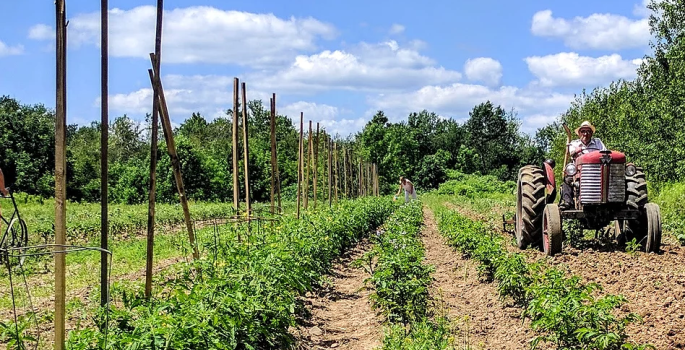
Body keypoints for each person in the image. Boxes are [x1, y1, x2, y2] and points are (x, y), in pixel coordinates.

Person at [560, 121, 607, 209]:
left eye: (588, 131)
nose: (585, 134)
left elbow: (605, 153)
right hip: (579, 172)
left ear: (592, 133)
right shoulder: (574, 143)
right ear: (579, 133)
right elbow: (571, 153)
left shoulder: (598, 142)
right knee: (567, 180)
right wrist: (577, 150)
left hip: (596, 172)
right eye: (583, 131)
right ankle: (567, 202)